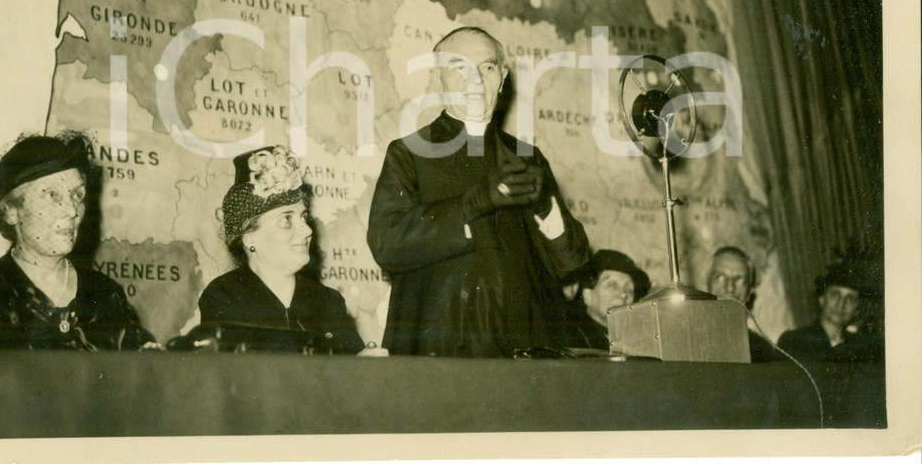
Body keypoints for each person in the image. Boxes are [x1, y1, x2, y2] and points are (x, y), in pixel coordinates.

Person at [368, 26, 591, 357]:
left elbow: (573, 261)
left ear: (501, 79)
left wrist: (546, 208)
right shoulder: (409, 153)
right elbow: (388, 243)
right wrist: (470, 205)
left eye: (486, 68)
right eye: (459, 68)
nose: (474, 81)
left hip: (529, 352)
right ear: (437, 78)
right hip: (443, 349)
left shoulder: (529, 158)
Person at [0, 134, 154, 351]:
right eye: (52, 195)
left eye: (78, 195)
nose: (72, 210)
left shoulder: (105, 295)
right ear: (11, 211)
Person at [195, 145, 364, 354]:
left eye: (303, 217)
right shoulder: (224, 295)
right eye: (287, 219)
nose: (307, 230)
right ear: (249, 237)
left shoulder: (328, 301)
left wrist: (366, 362)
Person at [777, 262, 881, 366]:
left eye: (850, 298)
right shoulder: (794, 341)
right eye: (835, 294)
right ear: (821, 299)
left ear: (856, 309)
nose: (841, 303)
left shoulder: (862, 347)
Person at [706, 245, 782, 362]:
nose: (730, 288)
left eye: (739, 279)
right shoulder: (687, 337)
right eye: (720, 277)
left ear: (749, 292)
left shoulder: (762, 350)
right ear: (707, 284)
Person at [565, 249, 650, 351]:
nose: (623, 294)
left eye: (629, 289)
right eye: (612, 285)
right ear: (588, 296)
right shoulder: (570, 339)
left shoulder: (642, 340)